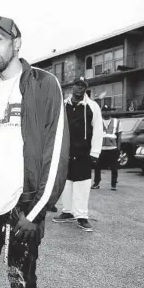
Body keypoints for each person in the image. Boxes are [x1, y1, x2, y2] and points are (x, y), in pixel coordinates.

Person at [0, 16, 69, 288]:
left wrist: (34, 212)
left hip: (23, 207)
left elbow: (55, 153)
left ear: (17, 43)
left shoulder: (44, 84)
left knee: (19, 285)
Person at [53, 77, 103, 232]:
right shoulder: (63, 105)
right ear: (72, 87)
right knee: (66, 182)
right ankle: (67, 212)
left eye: (82, 86)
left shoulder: (92, 106)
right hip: (66, 151)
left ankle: (81, 216)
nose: (79, 88)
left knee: (82, 184)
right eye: (76, 85)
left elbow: (98, 130)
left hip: (83, 152)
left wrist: (95, 152)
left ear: (86, 89)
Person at [92, 105, 121, 191]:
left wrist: (118, 149)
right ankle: (96, 183)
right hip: (100, 149)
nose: (106, 112)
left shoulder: (116, 122)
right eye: (104, 111)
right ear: (101, 112)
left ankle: (113, 184)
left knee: (114, 168)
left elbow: (119, 136)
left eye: (108, 110)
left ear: (110, 112)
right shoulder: (97, 121)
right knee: (97, 167)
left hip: (112, 149)